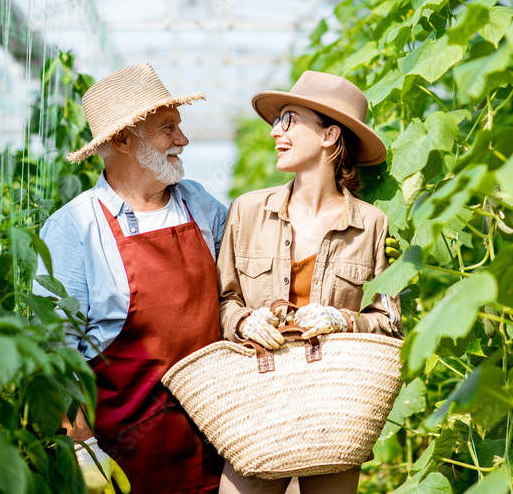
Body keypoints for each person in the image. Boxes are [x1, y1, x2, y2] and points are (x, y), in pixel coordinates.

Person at [34, 63, 227, 494]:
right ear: (122, 139)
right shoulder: (74, 229)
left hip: (218, 455)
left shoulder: (200, 205)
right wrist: (82, 455)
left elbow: (239, 287)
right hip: (125, 467)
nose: (183, 140)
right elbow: (54, 355)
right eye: (168, 128)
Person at [217, 70, 403, 494]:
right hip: (257, 404)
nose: (275, 133)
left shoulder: (372, 224)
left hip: (334, 410)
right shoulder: (247, 212)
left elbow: (390, 322)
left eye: (289, 119)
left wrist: (343, 320)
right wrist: (244, 322)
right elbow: (222, 300)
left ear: (329, 135)